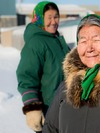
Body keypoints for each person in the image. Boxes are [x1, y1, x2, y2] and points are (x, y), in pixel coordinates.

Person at [16, 1, 70, 132]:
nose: (53, 21)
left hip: (66, 110)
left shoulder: (58, 41)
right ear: (39, 19)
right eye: (49, 17)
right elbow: (27, 76)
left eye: (56, 17)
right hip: (48, 112)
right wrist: (32, 108)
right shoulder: (36, 42)